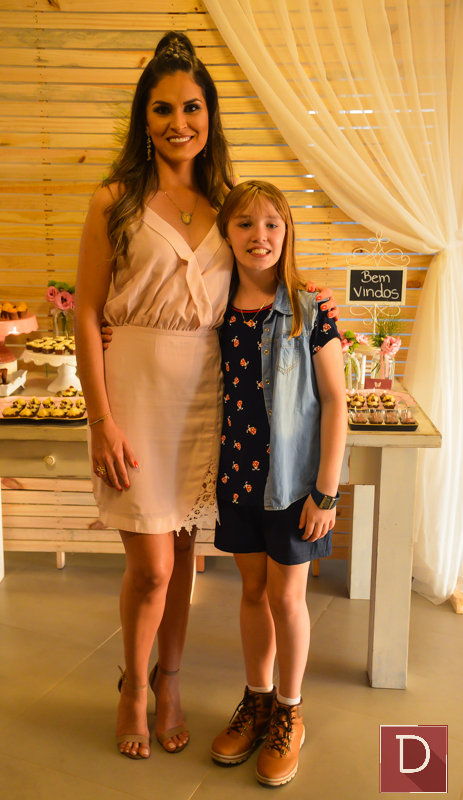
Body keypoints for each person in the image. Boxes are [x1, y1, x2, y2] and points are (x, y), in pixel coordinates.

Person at [76, 31, 340, 761]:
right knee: (151, 568)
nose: (178, 123)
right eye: (162, 109)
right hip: (134, 396)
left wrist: (307, 292)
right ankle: (133, 687)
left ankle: (171, 684)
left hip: (209, 399)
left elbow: (265, 269)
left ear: (210, 115)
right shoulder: (115, 200)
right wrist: (101, 420)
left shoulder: (227, 204)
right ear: (144, 116)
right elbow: (88, 312)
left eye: (191, 107)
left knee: (185, 562)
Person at [208, 180, 348, 788]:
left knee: (287, 598)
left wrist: (326, 492)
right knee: (251, 591)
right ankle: (258, 699)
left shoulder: (310, 309)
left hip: (292, 486)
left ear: (287, 232)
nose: (259, 236)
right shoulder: (213, 306)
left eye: (271, 224)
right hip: (237, 479)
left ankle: (289, 710)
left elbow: (336, 401)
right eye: (244, 224)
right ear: (226, 233)